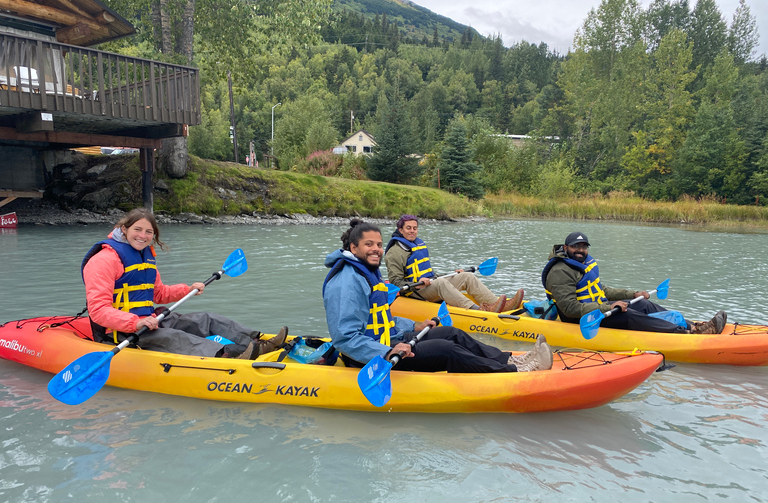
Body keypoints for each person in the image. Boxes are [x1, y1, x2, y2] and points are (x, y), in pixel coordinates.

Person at [322, 219, 552, 373]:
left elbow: (382, 317)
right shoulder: (347, 281)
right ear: (353, 248)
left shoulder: (366, 271)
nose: (377, 249)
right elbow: (345, 338)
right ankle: (514, 371)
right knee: (445, 348)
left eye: (379, 244)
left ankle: (509, 358)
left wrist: (415, 324)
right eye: (369, 244)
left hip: (386, 341)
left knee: (451, 333)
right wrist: (387, 352)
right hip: (371, 356)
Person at [81, 208, 287, 358]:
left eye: (149, 232)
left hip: (150, 319)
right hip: (122, 332)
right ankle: (229, 358)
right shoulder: (104, 260)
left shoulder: (144, 256)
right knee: (177, 337)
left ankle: (257, 343)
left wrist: (187, 289)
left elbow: (158, 294)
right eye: (138, 229)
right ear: (124, 229)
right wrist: (135, 323)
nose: (143, 236)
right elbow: (98, 310)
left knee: (206, 319)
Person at [542, 232, 727, 334]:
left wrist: (633, 294)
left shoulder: (583, 263)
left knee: (643, 303)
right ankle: (684, 334)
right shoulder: (560, 271)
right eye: (576, 247)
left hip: (600, 308)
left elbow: (602, 290)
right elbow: (569, 308)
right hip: (580, 318)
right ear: (566, 248)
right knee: (628, 314)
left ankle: (692, 325)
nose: (580, 250)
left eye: (583, 247)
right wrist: (606, 308)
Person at [384, 214, 524, 313]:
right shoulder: (394, 252)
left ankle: (498, 304)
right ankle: (478, 311)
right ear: (401, 230)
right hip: (414, 291)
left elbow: (429, 273)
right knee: (441, 283)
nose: (412, 231)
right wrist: (419, 283)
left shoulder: (417, 244)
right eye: (408, 228)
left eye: (415, 228)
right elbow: (396, 283)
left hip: (429, 285)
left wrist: (450, 274)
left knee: (466, 276)